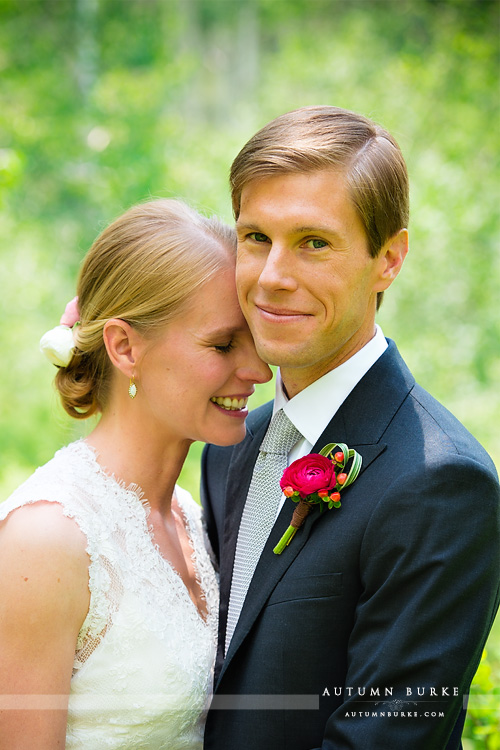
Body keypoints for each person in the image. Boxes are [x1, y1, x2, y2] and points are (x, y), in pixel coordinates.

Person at [201, 106, 500, 749]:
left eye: (313, 242)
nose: (273, 277)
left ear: (388, 258)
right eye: (255, 237)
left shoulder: (443, 483)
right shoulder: (227, 449)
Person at [0, 198, 271, 750]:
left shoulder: (193, 517)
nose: (259, 371)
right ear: (124, 346)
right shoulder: (47, 540)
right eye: (222, 344)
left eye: (253, 340)